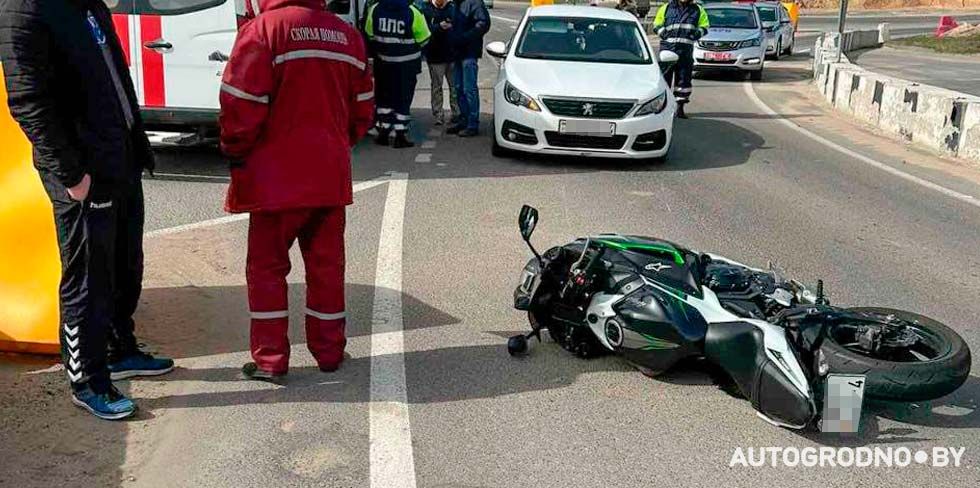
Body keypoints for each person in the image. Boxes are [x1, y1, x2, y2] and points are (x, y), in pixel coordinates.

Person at [0, 0, 174, 420]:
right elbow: (27, 101)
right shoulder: (23, 9)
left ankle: (120, 349)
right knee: (88, 278)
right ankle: (88, 380)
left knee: (125, 263)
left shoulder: (88, 4)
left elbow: (117, 80)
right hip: (82, 172)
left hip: (121, 159)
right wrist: (72, 175)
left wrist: (138, 145)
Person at [219, 0, 375, 381]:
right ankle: (329, 351)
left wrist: (236, 151)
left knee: (267, 270)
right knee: (326, 269)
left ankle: (271, 360)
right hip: (329, 177)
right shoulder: (346, 36)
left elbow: (240, 104)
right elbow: (363, 110)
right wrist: (335, 145)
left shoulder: (263, 31)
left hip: (275, 182)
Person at [365, 0, 431, 148]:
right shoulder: (413, 12)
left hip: (383, 64)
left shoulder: (375, 9)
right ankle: (400, 135)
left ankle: (383, 132)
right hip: (406, 67)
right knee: (403, 99)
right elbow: (424, 39)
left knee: (384, 99)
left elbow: (369, 34)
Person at [653, 0, 709, 119]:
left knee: (683, 81)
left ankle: (680, 108)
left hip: (685, 52)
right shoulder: (666, 8)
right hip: (668, 50)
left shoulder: (698, 10)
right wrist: (663, 34)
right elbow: (656, 24)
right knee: (664, 80)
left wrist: (696, 34)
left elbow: (705, 26)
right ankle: (662, 107)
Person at [447, 0, 490, 137]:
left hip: (469, 53)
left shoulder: (474, 3)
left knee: (469, 89)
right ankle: (463, 119)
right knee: (458, 88)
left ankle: (472, 124)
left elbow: (483, 24)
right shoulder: (455, 4)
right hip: (457, 52)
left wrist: (464, 37)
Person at [421, 0, 460, 127]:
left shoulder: (452, 8)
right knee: (437, 87)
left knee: (454, 87)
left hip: (452, 55)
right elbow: (424, 29)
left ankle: (456, 113)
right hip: (435, 55)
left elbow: (459, 24)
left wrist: (452, 26)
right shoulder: (426, 9)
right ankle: (438, 114)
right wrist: (439, 26)